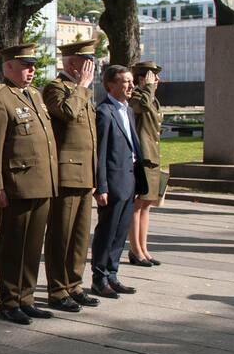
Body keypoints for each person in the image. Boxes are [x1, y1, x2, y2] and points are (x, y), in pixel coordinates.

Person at [0, 43, 58, 325]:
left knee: (32, 245)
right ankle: (9, 300)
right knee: (13, 245)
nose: (31, 71)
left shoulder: (35, 95)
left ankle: (26, 298)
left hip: (41, 183)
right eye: (26, 66)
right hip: (16, 185)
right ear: (8, 67)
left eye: (33, 66)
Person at [42, 39, 100, 313]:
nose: (92, 67)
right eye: (88, 62)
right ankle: (57, 289)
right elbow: (66, 113)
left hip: (85, 172)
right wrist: (81, 88)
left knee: (79, 236)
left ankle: (74, 284)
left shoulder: (81, 91)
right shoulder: (56, 88)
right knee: (60, 235)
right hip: (66, 173)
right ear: (73, 63)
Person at [90, 65, 147, 299]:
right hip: (113, 182)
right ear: (110, 85)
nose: (131, 86)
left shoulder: (127, 110)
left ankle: (112, 274)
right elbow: (100, 153)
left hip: (129, 178)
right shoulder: (104, 112)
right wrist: (101, 186)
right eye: (125, 82)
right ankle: (99, 277)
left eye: (132, 81)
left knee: (121, 232)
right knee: (107, 231)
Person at [127, 60, 165, 267]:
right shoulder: (137, 96)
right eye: (153, 76)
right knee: (137, 205)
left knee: (147, 205)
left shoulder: (152, 98)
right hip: (142, 157)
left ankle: (144, 248)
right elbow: (140, 107)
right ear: (142, 79)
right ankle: (135, 250)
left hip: (153, 157)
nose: (157, 80)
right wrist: (147, 88)